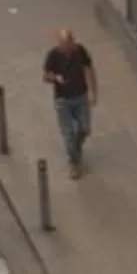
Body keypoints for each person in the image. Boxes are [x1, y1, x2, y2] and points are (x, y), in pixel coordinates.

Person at [42, 27, 96, 175]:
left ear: (73, 41)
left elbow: (89, 69)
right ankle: (74, 162)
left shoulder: (80, 51)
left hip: (81, 96)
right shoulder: (53, 55)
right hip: (63, 99)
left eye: (68, 44)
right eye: (63, 45)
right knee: (68, 133)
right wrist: (55, 78)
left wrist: (93, 91)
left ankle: (76, 149)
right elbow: (45, 76)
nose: (66, 48)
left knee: (85, 128)